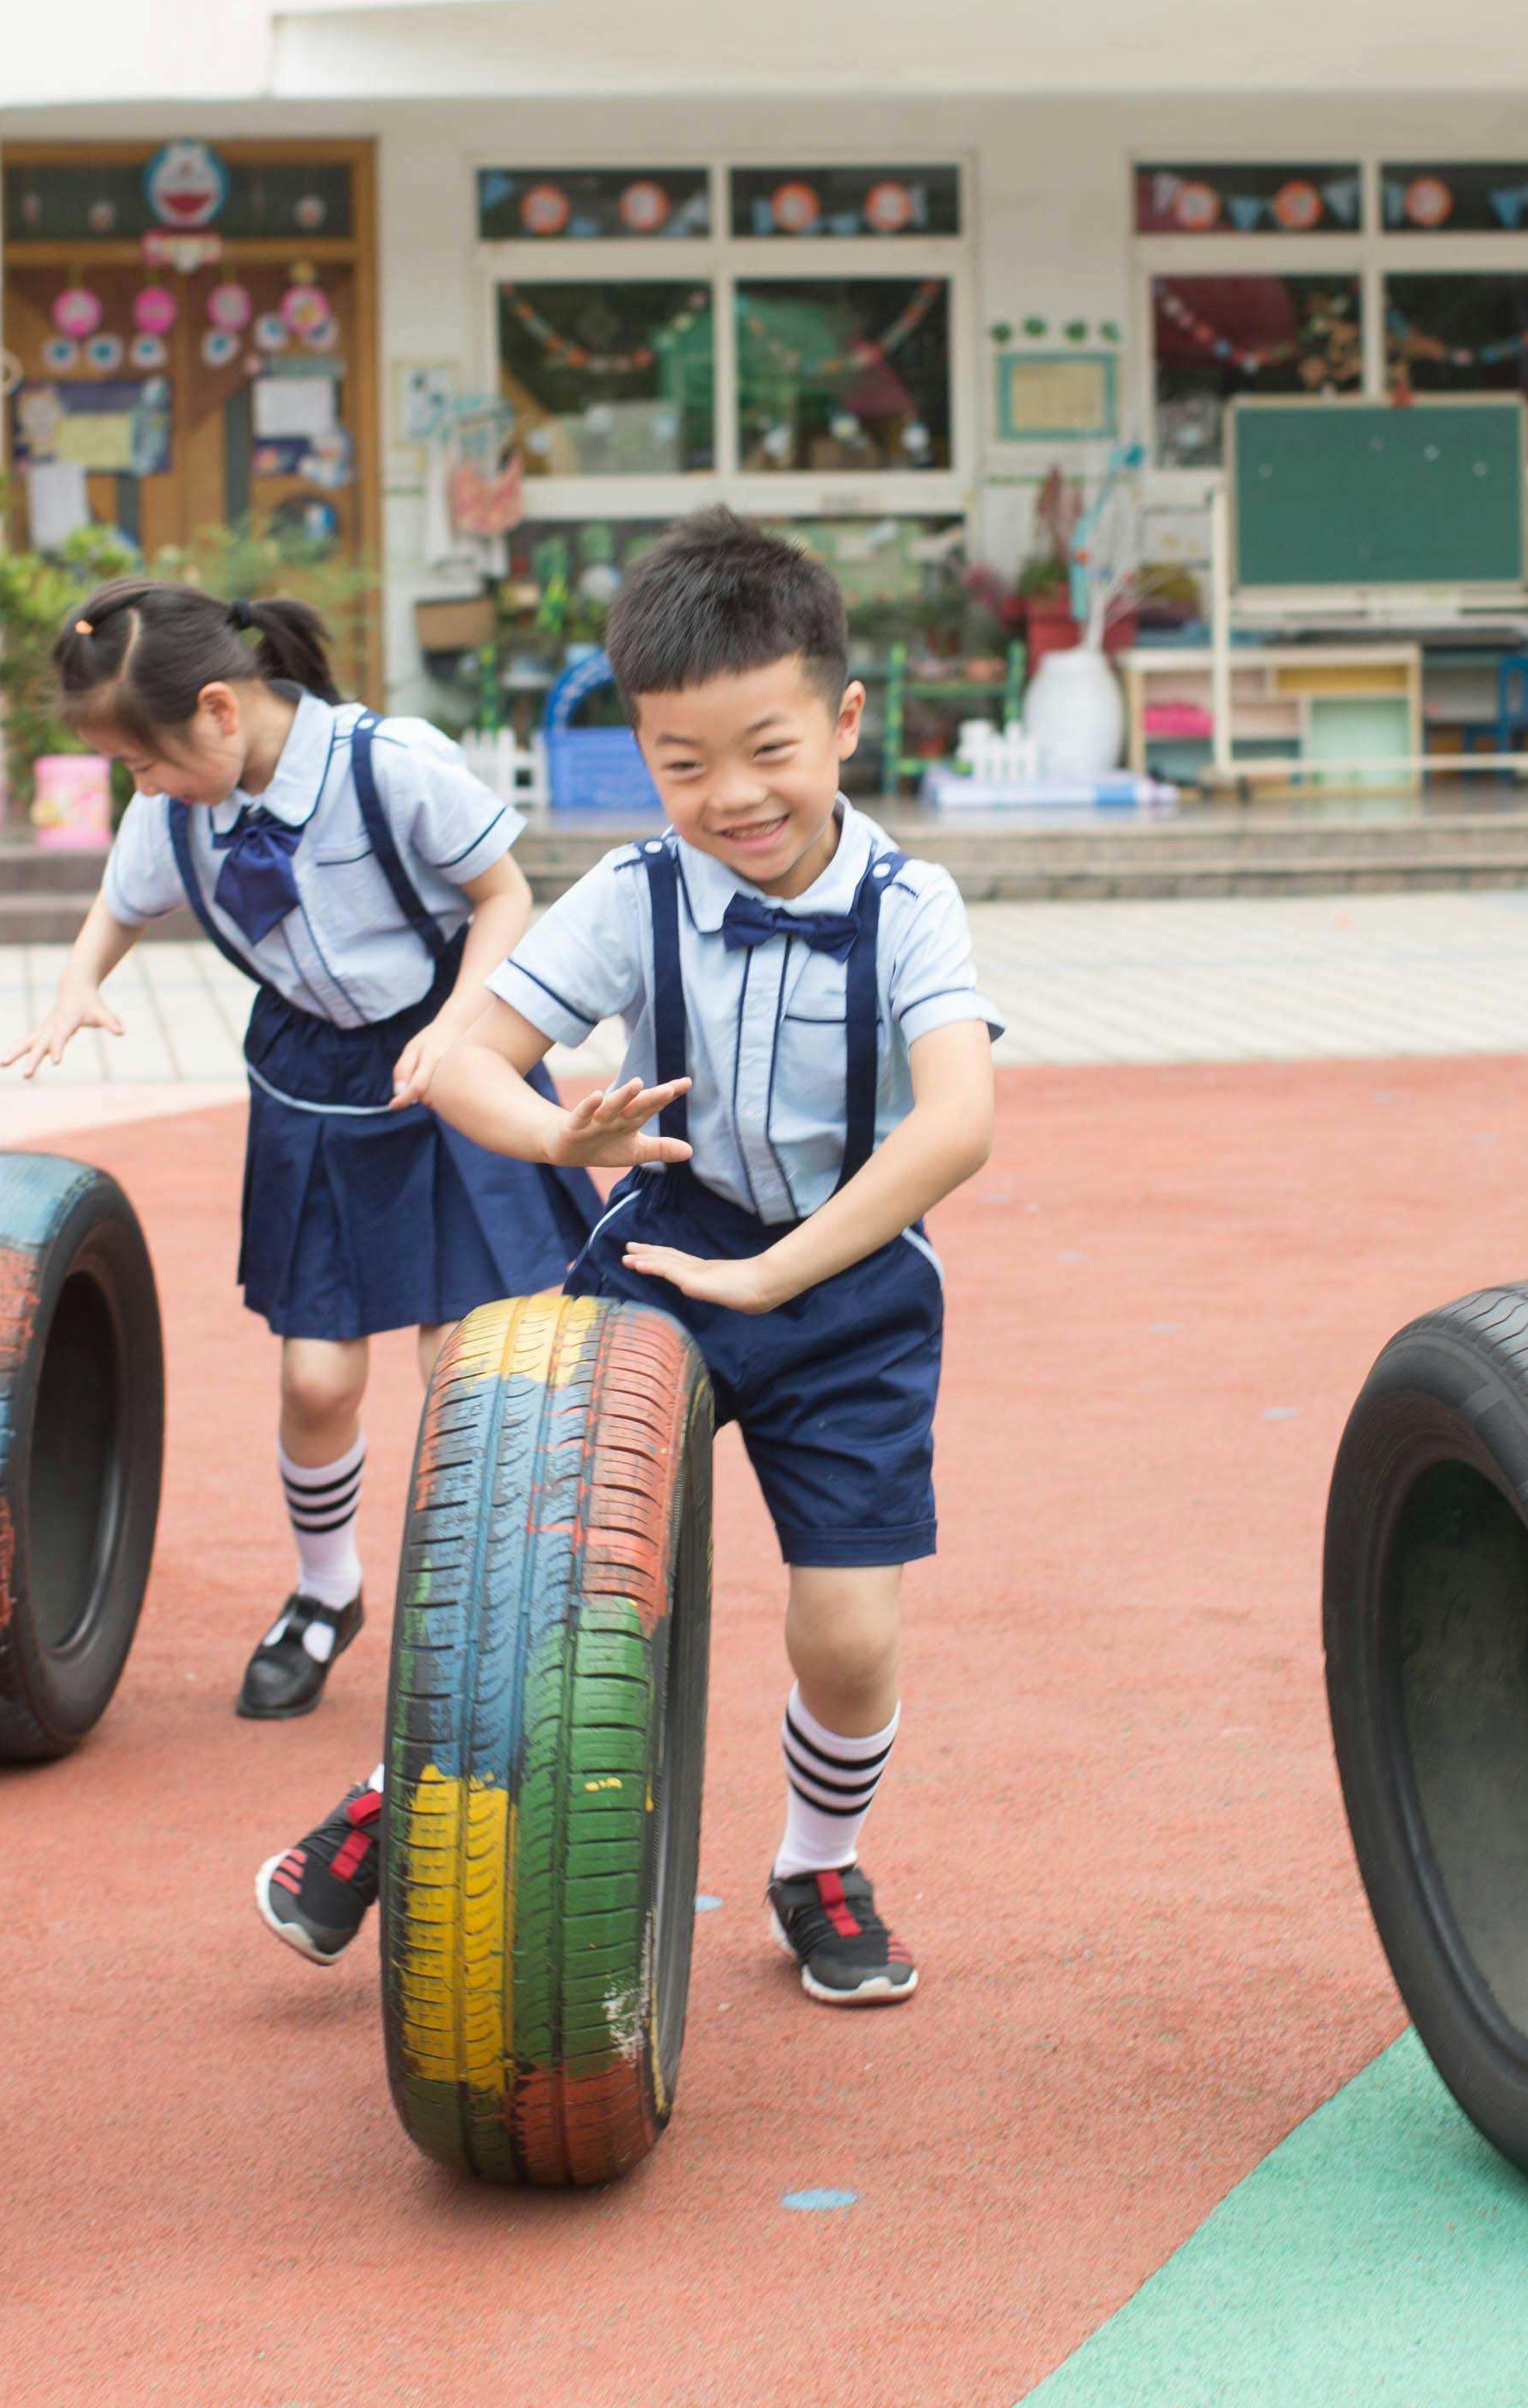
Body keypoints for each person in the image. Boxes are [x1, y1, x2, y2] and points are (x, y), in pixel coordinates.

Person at [248, 510, 999, 2008]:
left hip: (844, 1293)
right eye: (681, 762)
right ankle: (401, 1800)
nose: (730, 795)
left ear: (845, 722)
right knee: (541, 1576)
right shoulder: (634, 893)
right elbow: (457, 1058)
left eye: (767, 748)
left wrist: (783, 1279)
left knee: (847, 1630)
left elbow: (957, 1124)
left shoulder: (911, 906)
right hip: (660, 1258)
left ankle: (814, 1864)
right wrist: (552, 1140)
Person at [0, 582, 591, 1720]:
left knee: (465, 1367)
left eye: (144, 760)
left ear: (220, 710)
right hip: (313, 1086)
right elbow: (119, 908)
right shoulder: (177, 813)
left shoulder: (391, 765)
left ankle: (486, 1609)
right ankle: (328, 1593)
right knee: (317, 1377)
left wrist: (457, 1029)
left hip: (450, 1051)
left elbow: (505, 893)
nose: (143, 785)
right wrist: (79, 984)